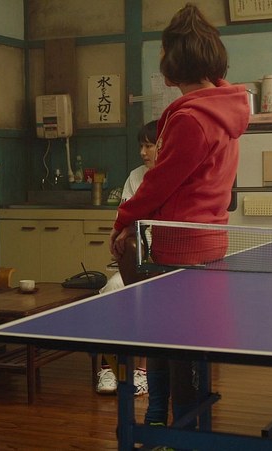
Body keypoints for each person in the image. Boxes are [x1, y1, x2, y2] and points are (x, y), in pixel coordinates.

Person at [109, 3, 250, 429]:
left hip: (180, 248)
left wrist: (122, 221)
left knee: (175, 347)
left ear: (173, 62)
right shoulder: (224, 107)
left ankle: (180, 432)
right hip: (205, 243)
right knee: (168, 340)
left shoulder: (192, 119)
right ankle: (161, 422)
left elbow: (159, 184)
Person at [95, 121, 158, 396]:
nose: (143, 152)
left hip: (166, 266)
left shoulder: (176, 175)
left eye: (149, 146)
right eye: (141, 146)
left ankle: (142, 371)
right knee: (112, 290)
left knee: (147, 300)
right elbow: (124, 218)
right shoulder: (135, 177)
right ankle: (111, 368)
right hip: (135, 264)